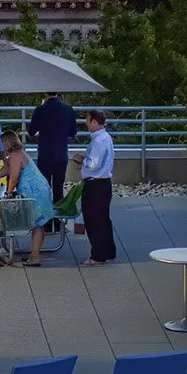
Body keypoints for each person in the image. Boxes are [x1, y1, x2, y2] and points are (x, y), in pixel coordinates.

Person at [0, 131, 56, 265]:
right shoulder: (18, 154)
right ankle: (34, 254)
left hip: (34, 192)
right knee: (38, 224)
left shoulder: (15, 156)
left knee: (37, 224)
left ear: (6, 143)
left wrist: (8, 193)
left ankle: (35, 258)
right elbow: (5, 171)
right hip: (39, 190)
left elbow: (14, 176)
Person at [75, 109, 117, 265]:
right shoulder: (106, 138)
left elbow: (94, 164)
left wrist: (81, 160)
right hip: (104, 182)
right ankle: (107, 251)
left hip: (95, 183)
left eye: (87, 121)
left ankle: (98, 255)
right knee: (103, 219)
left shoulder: (98, 141)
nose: (86, 124)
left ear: (94, 122)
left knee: (94, 220)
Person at [28, 93, 78, 212]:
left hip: (45, 153)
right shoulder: (68, 109)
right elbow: (72, 132)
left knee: (44, 188)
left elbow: (31, 131)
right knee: (58, 187)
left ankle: (46, 220)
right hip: (61, 153)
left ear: (45, 93)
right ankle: (58, 218)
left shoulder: (40, 110)